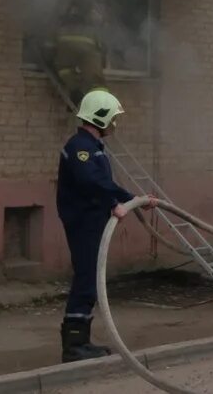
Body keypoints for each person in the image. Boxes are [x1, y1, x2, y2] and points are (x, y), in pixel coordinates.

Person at [55, 88, 156, 362]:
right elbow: (92, 183)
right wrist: (121, 201)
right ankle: (74, 345)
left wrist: (128, 200)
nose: (115, 123)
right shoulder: (81, 149)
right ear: (100, 117)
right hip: (83, 221)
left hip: (92, 219)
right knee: (87, 278)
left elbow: (101, 186)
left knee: (90, 277)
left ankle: (81, 341)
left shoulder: (93, 147)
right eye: (112, 118)